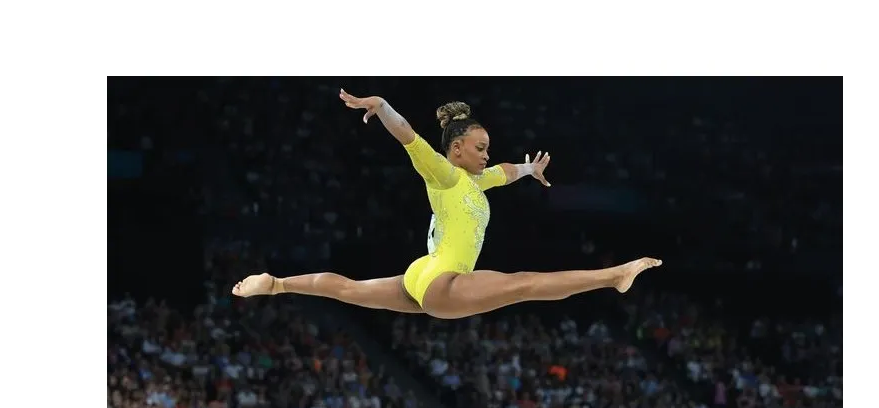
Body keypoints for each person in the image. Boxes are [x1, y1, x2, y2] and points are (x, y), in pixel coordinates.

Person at [232, 90, 662, 319]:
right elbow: (409, 137)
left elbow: (506, 171)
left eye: (488, 148)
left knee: (348, 289)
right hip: (442, 282)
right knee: (525, 284)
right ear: (457, 148)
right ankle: (614, 276)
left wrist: (530, 171)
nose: (486, 154)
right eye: (479, 147)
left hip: (425, 273)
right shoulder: (445, 174)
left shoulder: (476, 181)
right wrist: (381, 106)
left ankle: (275, 284)